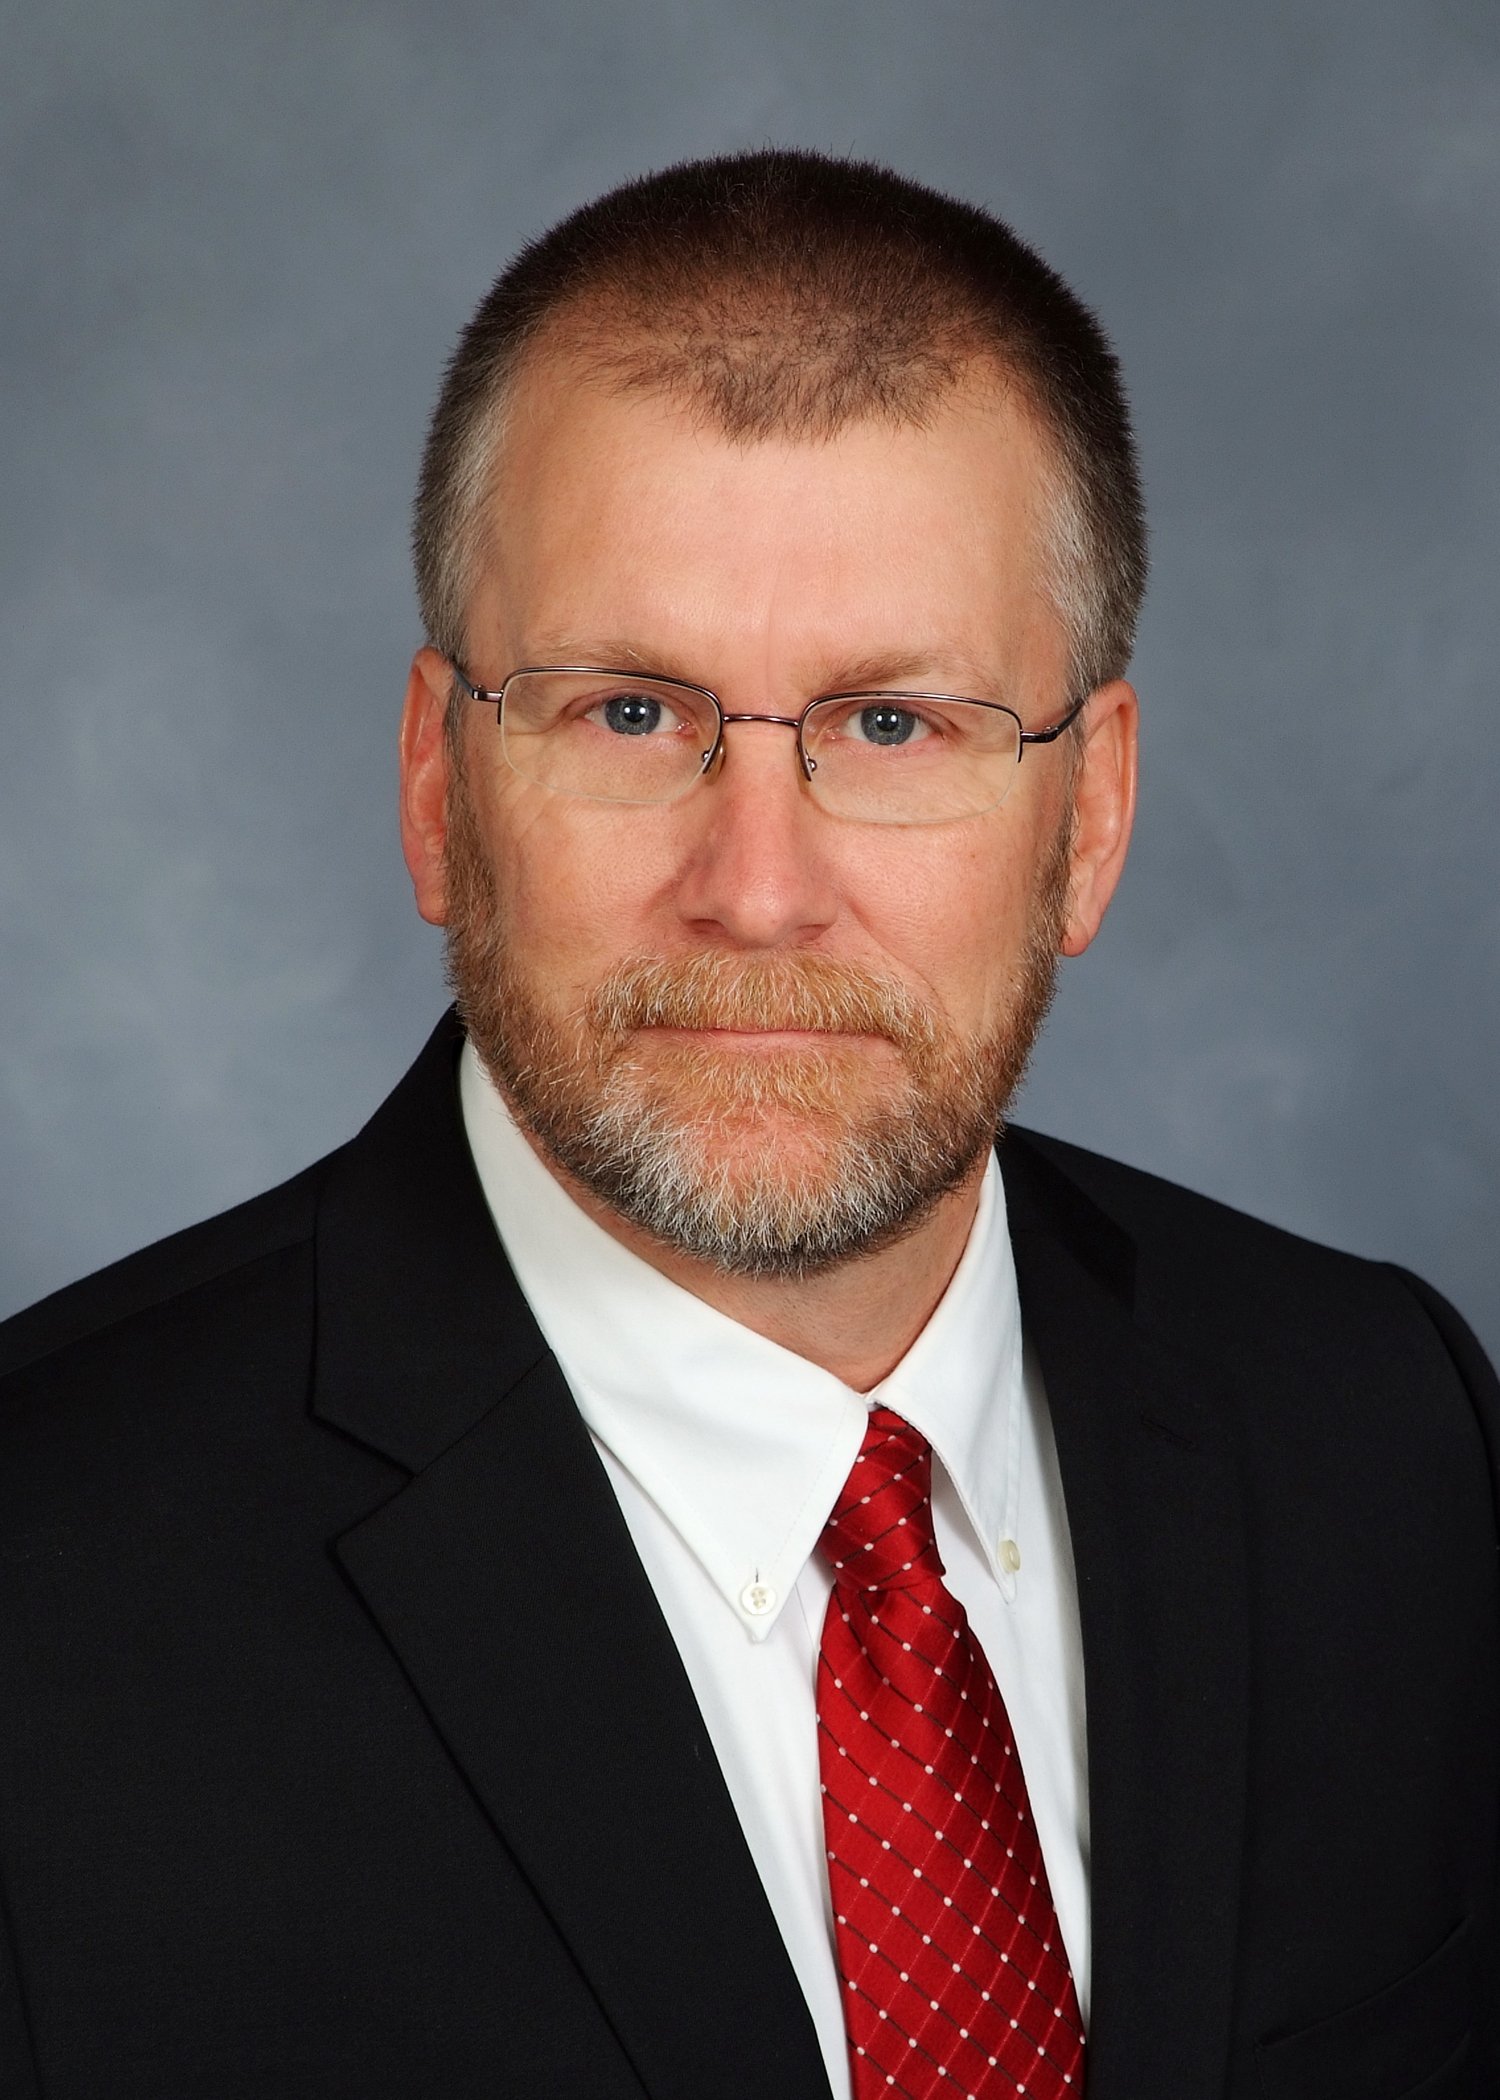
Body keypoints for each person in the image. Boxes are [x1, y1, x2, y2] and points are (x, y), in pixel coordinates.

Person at [0, 149, 1494, 2100]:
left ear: (1092, 818)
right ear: (441, 792)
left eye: (896, 724)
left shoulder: (1384, 1432)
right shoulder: (43, 1597)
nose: (761, 888)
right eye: (629, 712)